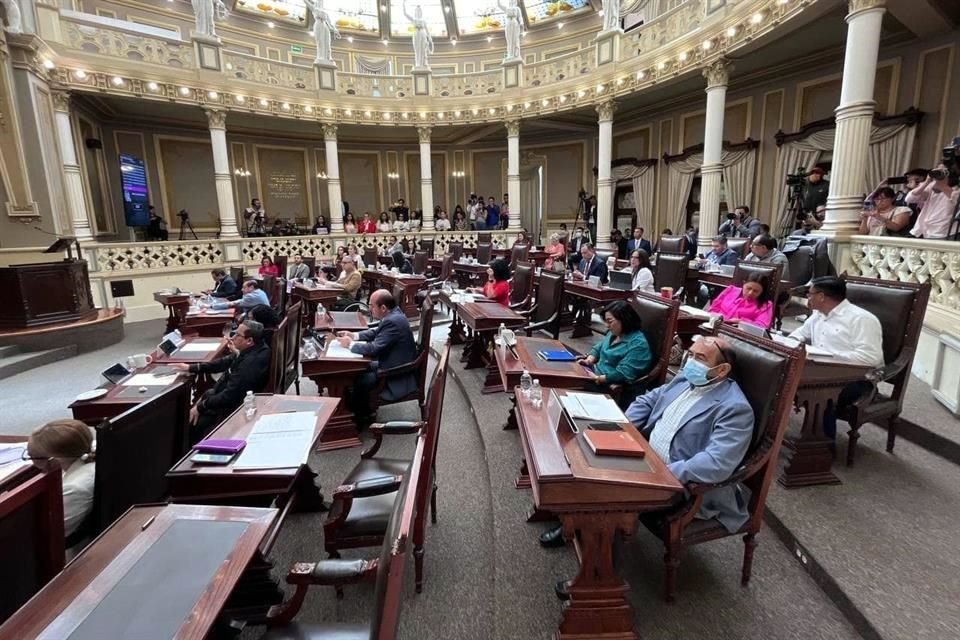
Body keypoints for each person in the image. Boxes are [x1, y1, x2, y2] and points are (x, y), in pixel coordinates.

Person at [542, 335, 754, 554]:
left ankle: (598, 570)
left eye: (700, 358)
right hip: (645, 456)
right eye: (690, 354)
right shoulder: (684, 379)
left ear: (721, 370)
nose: (690, 362)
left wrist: (664, 474)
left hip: (679, 482)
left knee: (607, 486)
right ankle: (574, 521)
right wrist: (623, 427)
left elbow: (717, 462)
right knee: (582, 449)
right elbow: (648, 400)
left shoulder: (735, 409)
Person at [788, 276, 883, 440]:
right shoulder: (818, 314)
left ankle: (821, 448)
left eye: (810, 294)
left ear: (821, 296)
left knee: (821, 395)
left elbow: (870, 358)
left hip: (856, 379)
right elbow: (800, 334)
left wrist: (828, 358)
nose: (807, 298)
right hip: (819, 370)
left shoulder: (862, 319)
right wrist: (790, 343)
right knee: (780, 378)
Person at [172, 319, 272, 442]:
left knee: (188, 422)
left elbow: (228, 397)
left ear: (249, 341)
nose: (233, 337)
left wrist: (201, 406)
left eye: (237, 335)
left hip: (232, 410)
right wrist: (192, 368)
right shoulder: (256, 349)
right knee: (204, 396)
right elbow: (224, 362)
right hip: (223, 395)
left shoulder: (249, 363)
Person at [336, 290, 418, 418]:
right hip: (391, 361)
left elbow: (374, 348)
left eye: (371, 306)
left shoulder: (393, 321)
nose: (370, 310)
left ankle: (361, 417)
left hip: (396, 372)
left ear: (383, 308)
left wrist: (350, 344)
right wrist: (354, 335)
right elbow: (377, 332)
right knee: (356, 370)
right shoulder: (393, 314)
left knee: (360, 379)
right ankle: (352, 409)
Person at [27, 419, 96, 539]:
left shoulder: (73, 489)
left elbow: (50, 534)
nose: (31, 461)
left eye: (32, 456)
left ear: (54, 460)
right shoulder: (88, 457)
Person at [577, 300, 653, 398]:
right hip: (593, 373)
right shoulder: (614, 333)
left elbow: (623, 373)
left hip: (607, 385)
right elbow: (599, 347)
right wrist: (589, 360)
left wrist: (597, 378)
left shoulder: (638, 345)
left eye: (610, 321)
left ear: (624, 319)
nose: (607, 326)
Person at [906, 163, 960, 239]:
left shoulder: (956, 189)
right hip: (927, 231)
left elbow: (957, 200)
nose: (939, 173)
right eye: (937, 170)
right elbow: (910, 199)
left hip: (946, 232)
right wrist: (927, 181)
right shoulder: (931, 186)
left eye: (942, 171)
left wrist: (942, 184)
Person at [707, 271, 774, 328]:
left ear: (762, 292)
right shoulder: (731, 290)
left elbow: (761, 326)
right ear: (744, 283)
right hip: (714, 324)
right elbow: (713, 308)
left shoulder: (766, 305)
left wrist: (742, 322)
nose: (750, 293)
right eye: (748, 288)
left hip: (739, 332)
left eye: (756, 291)